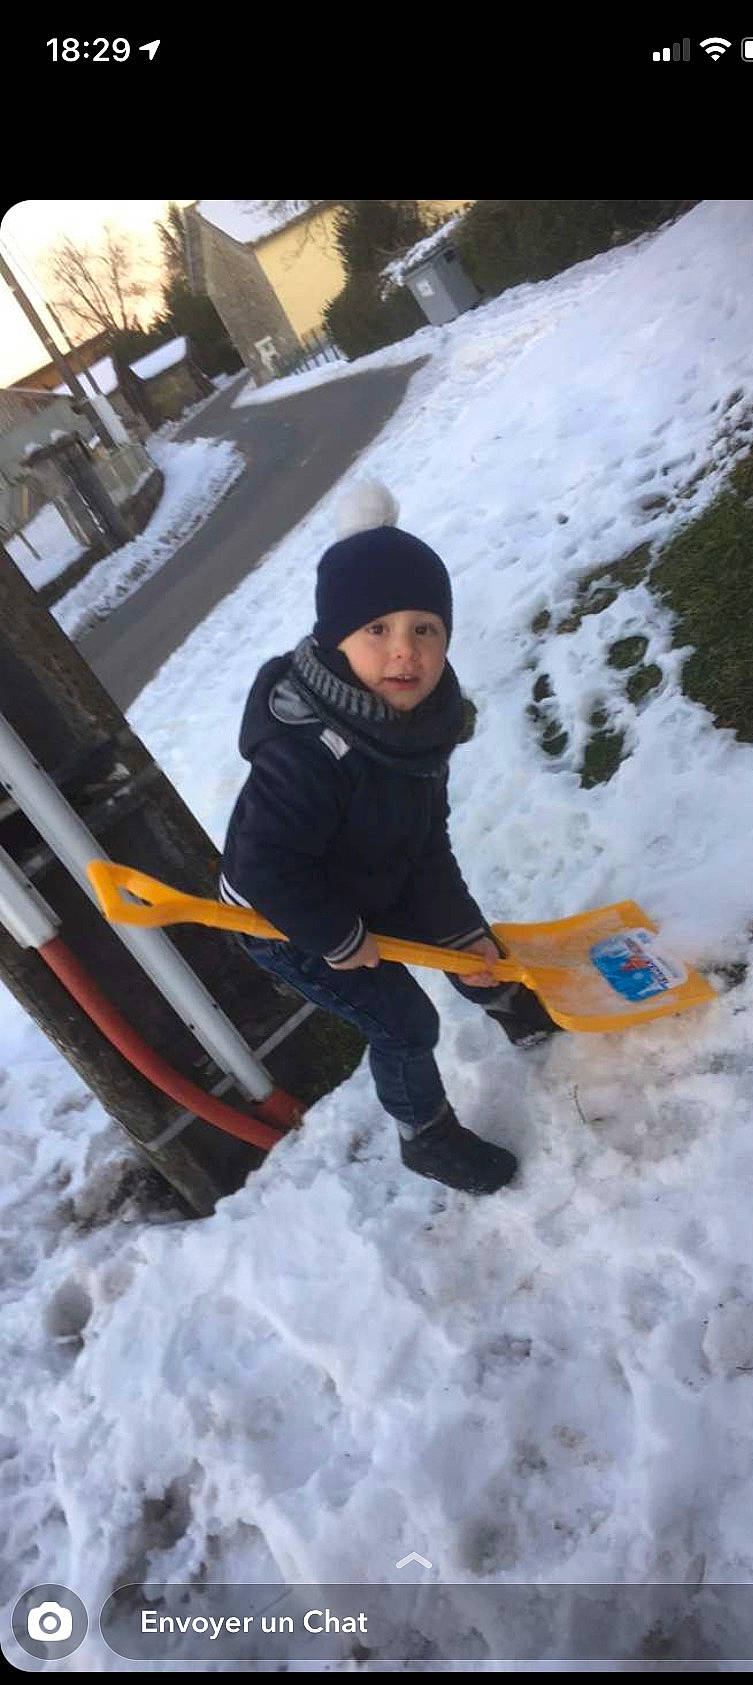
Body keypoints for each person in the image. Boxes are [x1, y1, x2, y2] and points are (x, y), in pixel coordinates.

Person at [220, 481, 561, 1195]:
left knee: (468, 943)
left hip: (371, 868)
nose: (404, 651)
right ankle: (426, 1137)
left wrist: (461, 932)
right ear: (335, 640)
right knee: (403, 1022)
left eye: (425, 629)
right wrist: (338, 936)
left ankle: (510, 1004)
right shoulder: (306, 751)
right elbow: (261, 865)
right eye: (376, 630)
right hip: (287, 916)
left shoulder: (419, 726)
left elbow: (422, 843)